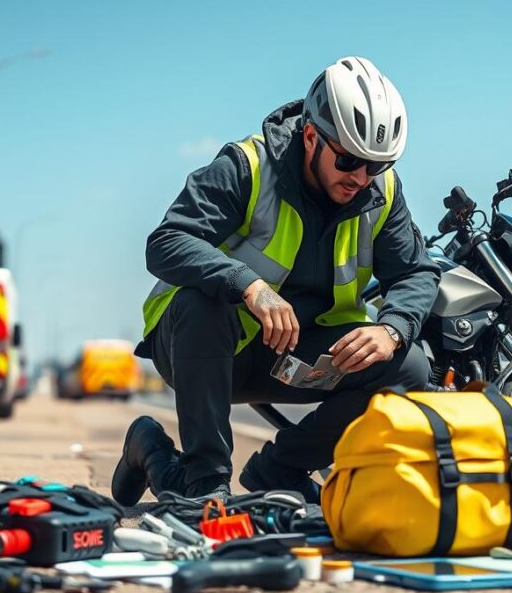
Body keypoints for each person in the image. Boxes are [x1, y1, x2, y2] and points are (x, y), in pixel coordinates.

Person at [112, 56, 440, 505]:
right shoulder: (247, 166)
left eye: (375, 165)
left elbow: (416, 272)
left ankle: (280, 470)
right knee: (200, 303)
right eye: (348, 160)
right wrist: (248, 285)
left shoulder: (380, 192)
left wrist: (391, 328)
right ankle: (195, 473)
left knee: (409, 366)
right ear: (310, 137)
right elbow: (167, 240)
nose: (361, 178)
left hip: (298, 358)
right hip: (206, 351)